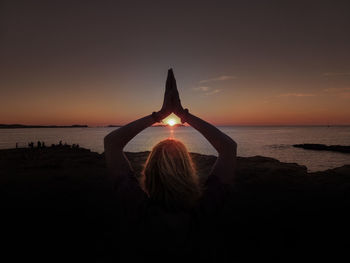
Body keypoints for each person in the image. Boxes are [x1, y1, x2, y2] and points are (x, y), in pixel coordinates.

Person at [104, 69, 237, 260]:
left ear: (150, 173)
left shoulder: (138, 210)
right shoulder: (203, 211)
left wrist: (159, 115)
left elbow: (112, 143)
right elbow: (228, 148)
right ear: (187, 171)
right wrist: (184, 115)